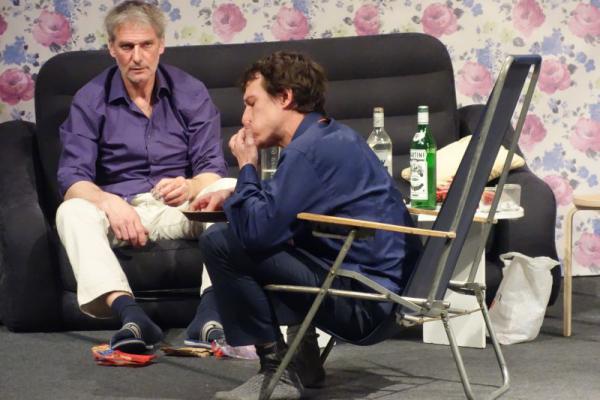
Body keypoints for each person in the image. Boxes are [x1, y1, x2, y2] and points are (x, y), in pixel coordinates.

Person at [191, 51, 423, 400]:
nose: (244, 118)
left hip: (365, 305)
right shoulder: (329, 137)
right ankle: (304, 358)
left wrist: (247, 167)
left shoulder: (309, 151)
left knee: (221, 241)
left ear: (285, 97)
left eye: (252, 104)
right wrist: (237, 193)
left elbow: (256, 233)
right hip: (383, 299)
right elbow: (281, 206)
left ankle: (276, 372)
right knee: (276, 230)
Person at [55, 0, 229, 354]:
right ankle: (132, 317)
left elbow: (212, 168)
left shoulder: (190, 91)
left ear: (161, 45)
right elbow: (72, 178)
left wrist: (191, 185)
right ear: (111, 48)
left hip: (177, 208)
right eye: (127, 46)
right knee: (70, 211)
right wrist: (108, 202)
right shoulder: (90, 99)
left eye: (146, 45)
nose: (137, 57)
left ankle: (208, 317)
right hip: (122, 213)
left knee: (232, 190)